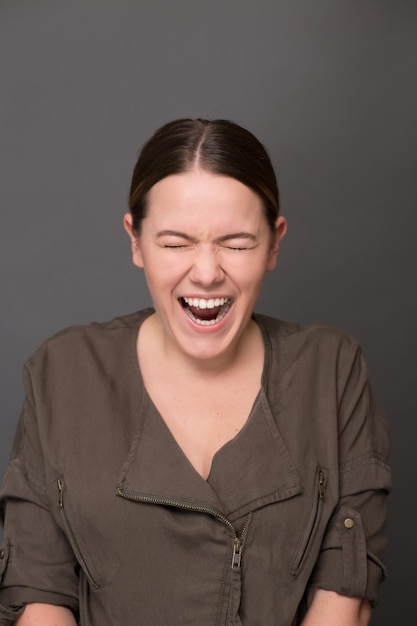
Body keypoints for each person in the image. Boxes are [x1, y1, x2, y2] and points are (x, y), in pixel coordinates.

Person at [0, 118, 390, 626]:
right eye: (176, 242)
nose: (206, 272)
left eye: (237, 242)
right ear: (135, 240)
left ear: (274, 243)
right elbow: (39, 598)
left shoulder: (332, 370)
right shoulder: (62, 373)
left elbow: (345, 596)